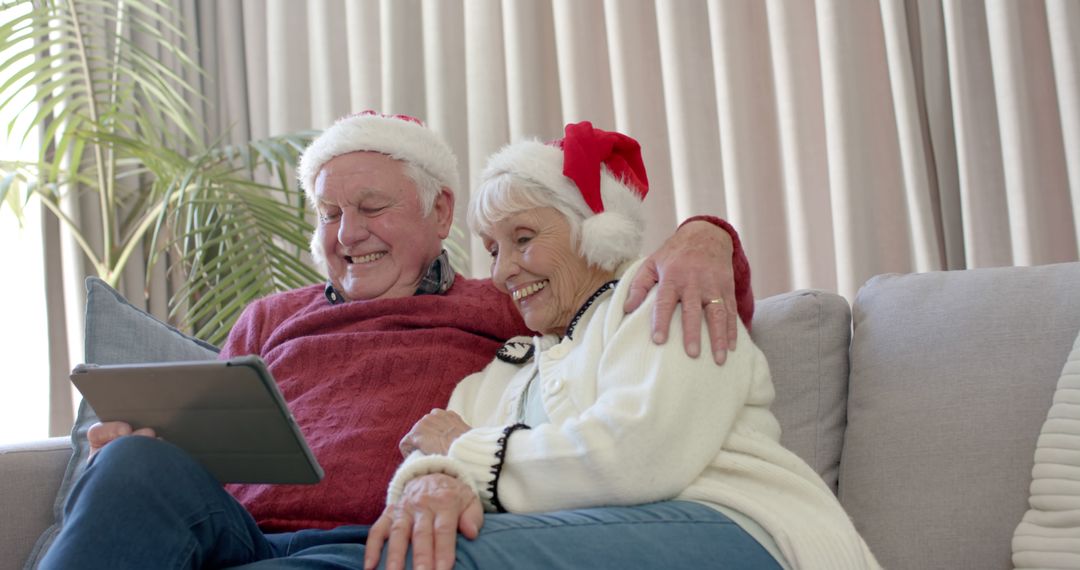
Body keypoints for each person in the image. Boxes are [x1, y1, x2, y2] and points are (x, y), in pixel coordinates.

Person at [39, 112, 753, 569]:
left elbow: (614, 306)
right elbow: (210, 467)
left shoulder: (504, 302)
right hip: (233, 536)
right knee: (132, 462)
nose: (347, 235)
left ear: (440, 212)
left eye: (371, 208)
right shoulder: (267, 318)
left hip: (382, 538)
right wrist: (154, 453)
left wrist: (705, 238)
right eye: (328, 214)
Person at [363, 122, 882, 570]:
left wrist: (461, 453)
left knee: (444, 557)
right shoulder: (502, 371)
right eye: (493, 250)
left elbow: (635, 454)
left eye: (523, 239)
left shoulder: (663, 296)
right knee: (377, 550)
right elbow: (431, 462)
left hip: (742, 525)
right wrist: (433, 480)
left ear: (595, 232)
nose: (501, 272)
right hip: (594, 536)